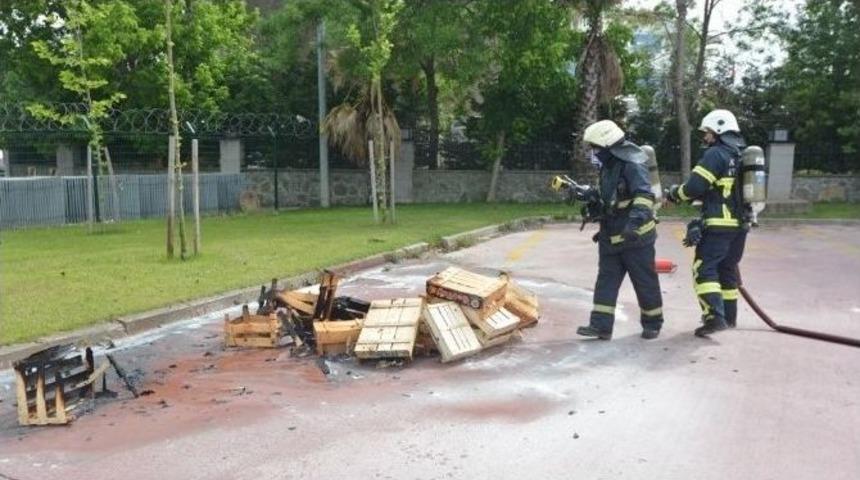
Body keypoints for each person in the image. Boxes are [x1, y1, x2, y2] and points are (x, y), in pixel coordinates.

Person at [575, 120, 664, 340]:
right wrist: (592, 200)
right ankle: (600, 326)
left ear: (608, 145)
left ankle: (652, 323)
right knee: (606, 281)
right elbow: (611, 199)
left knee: (644, 281)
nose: (594, 152)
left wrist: (633, 225)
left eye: (596, 147)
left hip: (636, 238)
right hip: (611, 236)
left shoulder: (633, 164)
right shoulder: (608, 166)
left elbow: (644, 196)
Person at [666, 109, 748, 337]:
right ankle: (729, 318)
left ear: (718, 130)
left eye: (708, 132)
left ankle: (713, 318)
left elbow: (694, 187)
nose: (705, 137)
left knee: (703, 269)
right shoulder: (740, 155)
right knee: (726, 268)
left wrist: (673, 194)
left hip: (719, 224)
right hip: (740, 225)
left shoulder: (716, 154)